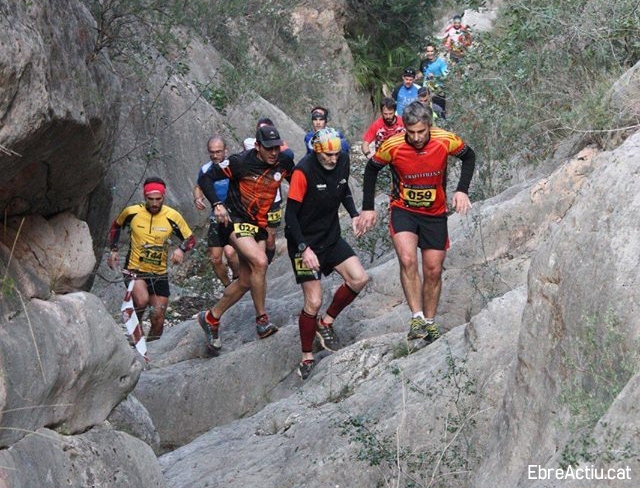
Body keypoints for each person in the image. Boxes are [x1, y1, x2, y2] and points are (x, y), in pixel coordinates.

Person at [357, 101, 476, 343]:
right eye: (411, 132)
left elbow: (469, 156)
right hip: (404, 210)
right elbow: (371, 170)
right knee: (408, 259)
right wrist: (368, 208)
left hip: (434, 213)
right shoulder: (393, 145)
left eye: (421, 131)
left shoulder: (445, 139)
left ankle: (430, 323)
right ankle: (417, 318)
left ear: (429, 126)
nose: (417, 137)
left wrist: (462, 190)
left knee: (432, 270)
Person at [196, 124, 295, 353]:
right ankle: (262, 321)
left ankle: (211, 317)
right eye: (268, 148)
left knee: (246, 281)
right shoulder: (239, 161)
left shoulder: (285, 160)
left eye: (276, 148)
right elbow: (205, 179)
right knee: (260, 262)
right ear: (258, 146)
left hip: (259, 224)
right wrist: (217, 204)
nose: (273, 153)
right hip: (235, 220)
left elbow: (299, 179)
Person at [285, 128, 369, 379]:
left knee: (359, 278)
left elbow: (343, 189)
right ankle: (307, 356)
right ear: (318, 151)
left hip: (330, 238)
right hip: (304, 241)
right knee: (314, 301)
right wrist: (303, 248)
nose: (334, 159)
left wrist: (354, 214)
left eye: (337, 154)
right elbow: (290, 217)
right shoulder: (303, 171)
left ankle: (327, 321)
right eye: (329, 155)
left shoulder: (343, 159)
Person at [107, 177, 196, 340]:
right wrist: (113, 250)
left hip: (159, 273)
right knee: (141, 301)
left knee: (158, 318)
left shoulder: (172, 216)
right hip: (134, 269)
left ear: (164, 197)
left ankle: (153, 350)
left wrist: (181, 250)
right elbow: (116, 226)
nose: (154, 203)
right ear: (144, 197)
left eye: (158, 199)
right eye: (150, 199)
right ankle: (135, 331)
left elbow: (190, 239)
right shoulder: (132, 212)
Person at [193, 135, 239, 287]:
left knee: (231, 254)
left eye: (218, 152)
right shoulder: (206, 169)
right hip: (216, 216)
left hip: (233, 214)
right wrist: (198, 198)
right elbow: (199, 186)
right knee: (215, 259)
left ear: (226, 150)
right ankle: (228, 287)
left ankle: (239, 281)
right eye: (212, 152)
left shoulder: (233, 166)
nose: (215, 155)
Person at [417, 44, 448, 117]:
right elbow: (422, 72)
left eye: (431, 51)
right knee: (425, 113)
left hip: (438, 92)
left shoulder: (440, 62)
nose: (430, 53)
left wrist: (435, 77)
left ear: (435, 52)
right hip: (426, 92)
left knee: (440, 113)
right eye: (428, 51)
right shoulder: (424, 63)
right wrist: (416, 76)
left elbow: (446, 76)